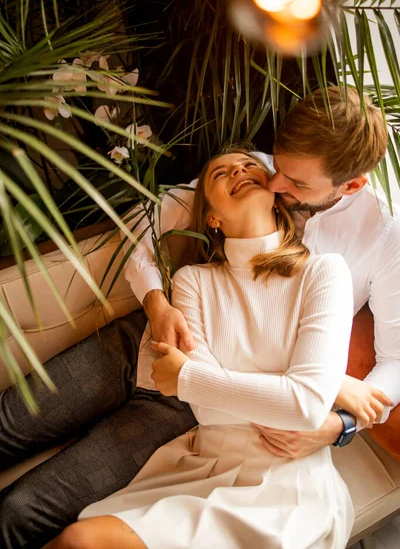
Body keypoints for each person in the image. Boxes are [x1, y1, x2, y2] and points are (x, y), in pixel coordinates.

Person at [0, 85, 397, 547]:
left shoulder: (377, 244)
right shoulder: (250, 179)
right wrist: (158, 302)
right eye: (278, 168)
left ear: (351, 185)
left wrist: (337, 418)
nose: (275, 183)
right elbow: (139, 229)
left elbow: (394, 362)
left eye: (296, 184)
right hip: (153, 338)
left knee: (23, 510)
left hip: (193, 404)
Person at [44, 150, 355, 549]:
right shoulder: (192, 282)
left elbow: (308, 406)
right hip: (206, 463)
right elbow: (208, 410)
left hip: (285, 483)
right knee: (76, 537)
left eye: (248, 166)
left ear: (276, 190)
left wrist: (190, 378)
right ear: (212, 217)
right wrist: (285, 390)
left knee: (82, 542)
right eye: (220, 174)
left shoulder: (325, 271)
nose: (238, 171)